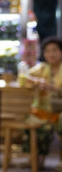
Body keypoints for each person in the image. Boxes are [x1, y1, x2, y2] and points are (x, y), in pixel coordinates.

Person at [19, 36, 62, 165]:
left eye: (54, 50)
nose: (51, 54)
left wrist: (53, 88)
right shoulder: (42, 68)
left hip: (60, 112)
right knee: (32, 121)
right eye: (47, 51)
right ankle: (34, 159)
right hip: (43, 110)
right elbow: (23, 78)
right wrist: (35, 82)